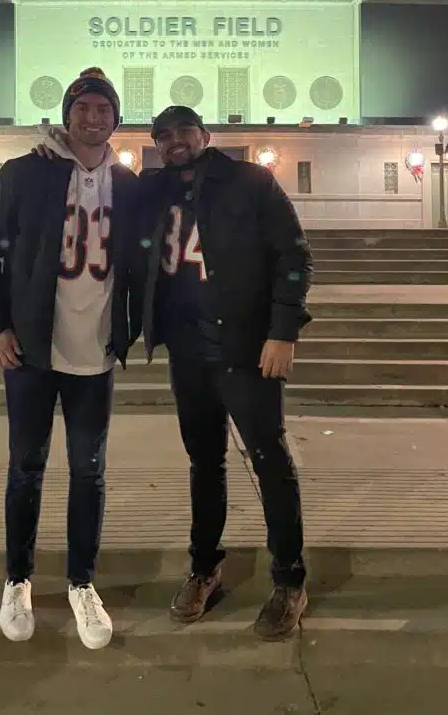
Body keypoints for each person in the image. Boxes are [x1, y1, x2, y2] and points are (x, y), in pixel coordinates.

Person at [0, 68, 139, 650]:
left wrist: (133, 329)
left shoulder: (129, 184)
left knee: (89, 471)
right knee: (27, 467)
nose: (92, 118)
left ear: (116, 118)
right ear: (67, 116)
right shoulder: (25, 174)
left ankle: (82, 582)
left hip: (96, 354)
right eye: (82, 108)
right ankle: (17, 579)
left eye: (102, 108)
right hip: (34, 352)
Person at [138, 105, 313, 640]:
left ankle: (289, 579)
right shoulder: (151, 190)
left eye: (184, 131)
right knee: (203, 463)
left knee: (269, 460)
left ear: (206, 135)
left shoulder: (250, 181)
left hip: (244, 348)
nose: (175, 142)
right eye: (163, 136)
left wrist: (282, 332)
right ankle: (204, 567)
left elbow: (294, 254)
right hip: (187, 352)